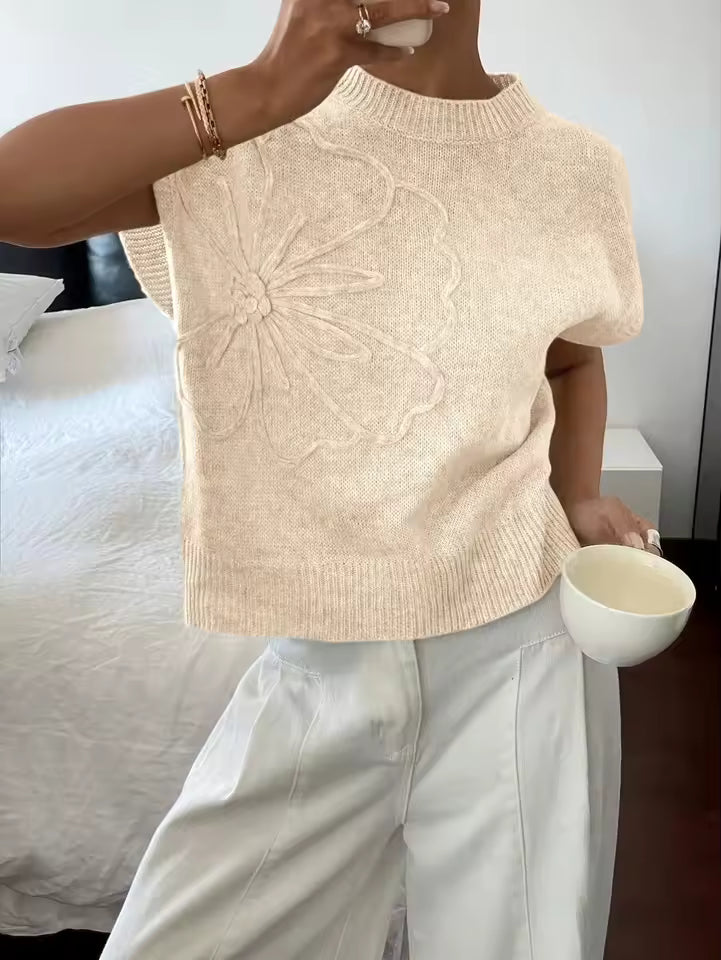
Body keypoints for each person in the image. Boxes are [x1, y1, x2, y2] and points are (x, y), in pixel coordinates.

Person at [0, 1, 657, 957]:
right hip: (322, 653)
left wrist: (580, 495)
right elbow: (11, 197)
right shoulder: (240, 137)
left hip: (522, 642)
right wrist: (262, 87)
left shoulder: (576, 168)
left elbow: (570, 357)